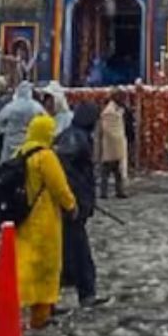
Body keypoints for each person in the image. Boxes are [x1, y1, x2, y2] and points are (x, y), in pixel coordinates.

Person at [15, 114, 78, 330]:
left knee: (27, 265)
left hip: (24, 218)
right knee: (47, 267)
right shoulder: (45, 156)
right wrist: (71, 205)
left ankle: (31, 306)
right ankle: (41, 313)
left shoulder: (21, 152)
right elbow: (59, 186)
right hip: (44, 219)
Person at [54, 102, 107, 308]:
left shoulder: (69, 135)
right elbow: (70, 172)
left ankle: (66, 286)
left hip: (72, 201)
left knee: (69, 249)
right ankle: (86, 292)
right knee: (79, 250)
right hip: (74, 203)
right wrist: (77, 199)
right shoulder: (77, 138)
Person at [0, 81, 46, 162]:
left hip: (11, 141)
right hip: (28, 141)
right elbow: (45, 119)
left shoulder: (11, 106)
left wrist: (4, 130)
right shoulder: (36, 106)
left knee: (7, 166)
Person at [97, 97, 128, 199]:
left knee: (112, 171)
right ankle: (111, 192)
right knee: (110, 171)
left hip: (112, 146)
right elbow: (109, 130)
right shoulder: (110, 113)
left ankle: (113, 191)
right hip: (111, 146)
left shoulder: (112, 111)